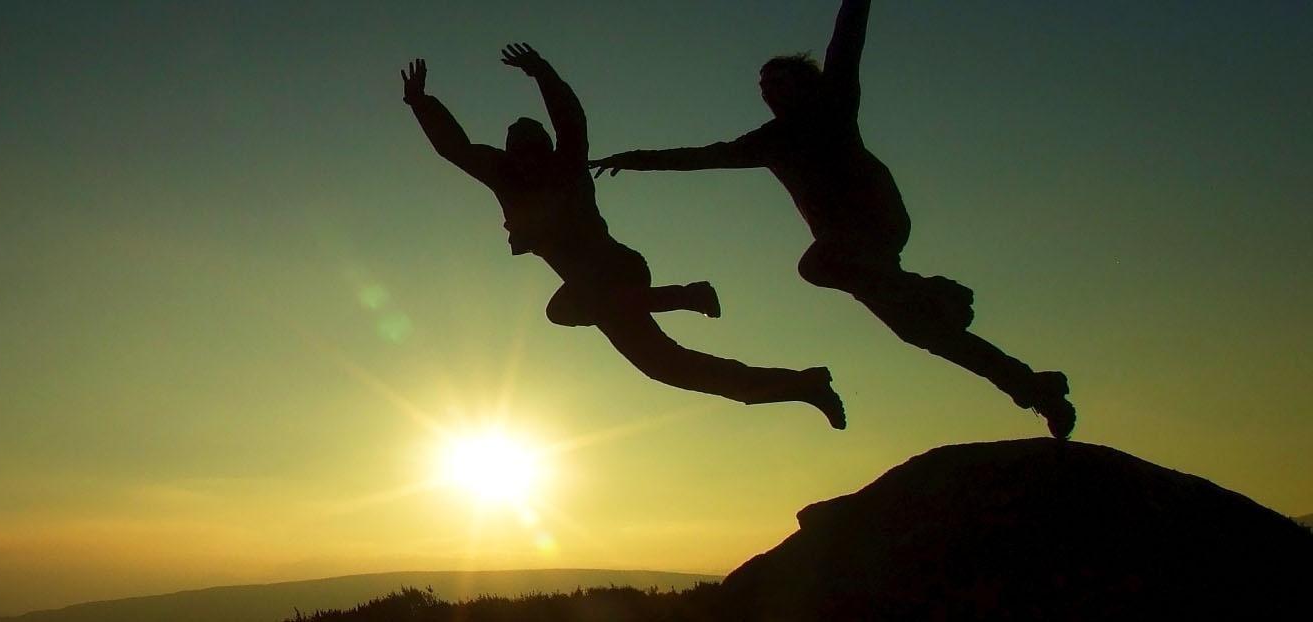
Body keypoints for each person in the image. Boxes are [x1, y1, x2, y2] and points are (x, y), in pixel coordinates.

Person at [589, 0, 1075, 439]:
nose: (767, 91)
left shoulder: (833, 102)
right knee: (924, 334)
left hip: (876, 223)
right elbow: (701, 157)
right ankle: (1037, 390)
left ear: (805, 83)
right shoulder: (768, 141)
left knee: (816, 266)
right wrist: (634, 159)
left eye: (777, 81)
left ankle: (938, 290)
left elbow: (847, 39)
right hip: (857, 258)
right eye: (762, 86)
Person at [403, 44, 844, 427]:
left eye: (535, 145)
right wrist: (421, 103)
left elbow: (570, 119)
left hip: (616, 269)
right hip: (595, 288)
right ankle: (804, 384)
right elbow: (454, 147)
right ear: (509, 155)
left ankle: (687, 296)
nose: (528, 156)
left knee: (564, 310)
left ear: (545, 148)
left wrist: (541, 71)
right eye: (520, 149)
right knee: (670, 368)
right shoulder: (504, 179)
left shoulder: (567, 166)